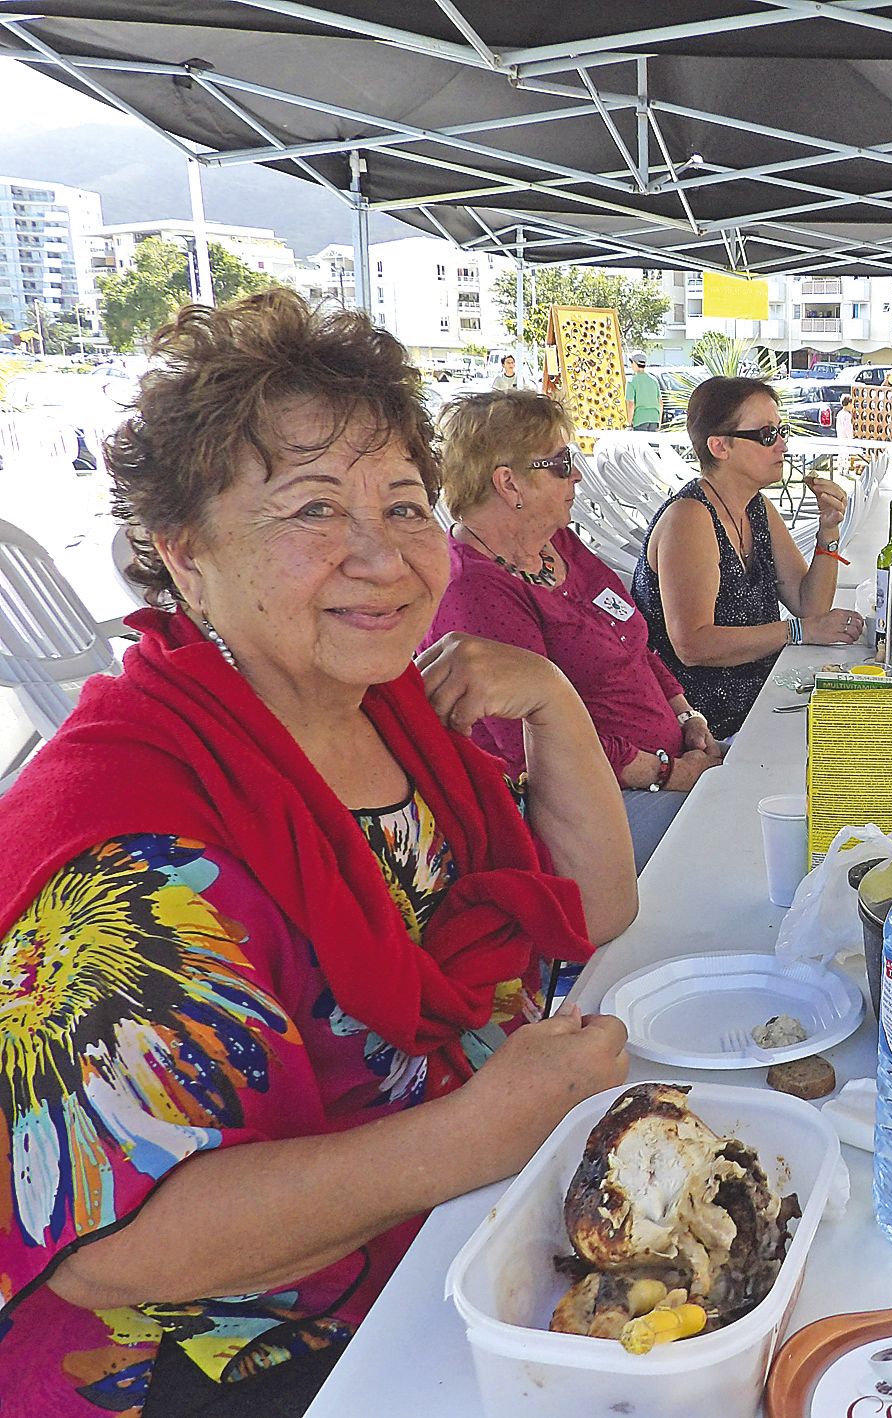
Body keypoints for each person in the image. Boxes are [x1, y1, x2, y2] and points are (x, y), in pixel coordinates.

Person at [0, 290, 636, 1417]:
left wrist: (548, 696)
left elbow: (594, 907)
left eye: (403, 504)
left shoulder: (384, 714)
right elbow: (115, 1246)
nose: (382, 557)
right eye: (311, 510)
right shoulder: (141, 841)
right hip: (230, 1356)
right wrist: (479, 1129)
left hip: (446, 1242)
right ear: (184, 555)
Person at [427, 391, 722, 873]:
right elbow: (529, 743)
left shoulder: (556, 543)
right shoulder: (475, 590)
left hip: (668, 764)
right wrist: (669, 773)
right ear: (509, 483)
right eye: (562, 464)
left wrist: (688, 717)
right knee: (735, 842)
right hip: (588, 809)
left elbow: (633, 642)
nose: (578, 475)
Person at [631, 376, 863, 738]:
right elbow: (692, 644)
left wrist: (828, 531)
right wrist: (798, 632)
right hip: (703, 727)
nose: (783, 445)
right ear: (720, 446)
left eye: (781, 431)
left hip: (759, 703)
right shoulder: (690, 518)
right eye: (767, 435)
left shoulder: (755, 508)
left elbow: (809, 604)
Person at [625, 350, 661, 431]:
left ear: (634, 363)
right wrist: (659, 422)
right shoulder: (654, 380)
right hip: (654, 419)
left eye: (631, 362)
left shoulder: (631, 381)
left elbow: (631, 404)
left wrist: (629, 424)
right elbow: (660, 402)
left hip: (640, 420)